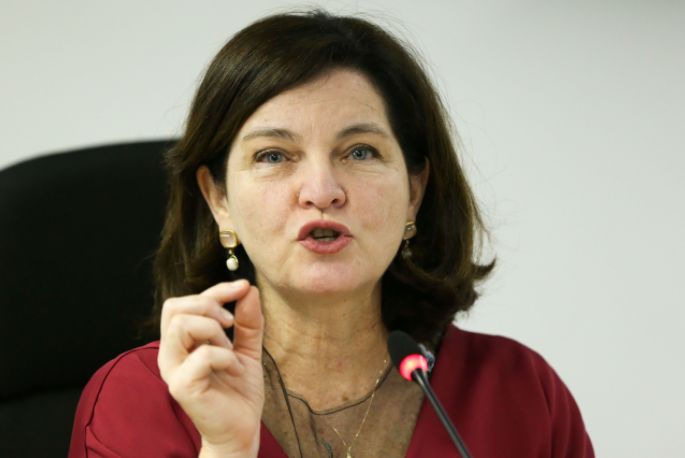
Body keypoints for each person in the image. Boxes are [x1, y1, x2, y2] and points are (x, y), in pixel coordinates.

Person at [69, 10, 594, 458]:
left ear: (414, 192)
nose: (321, 191)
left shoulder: (520, 393)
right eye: (273, 156)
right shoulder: (135, 402)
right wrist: (227, 448)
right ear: (218, 200)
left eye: (360, 151)